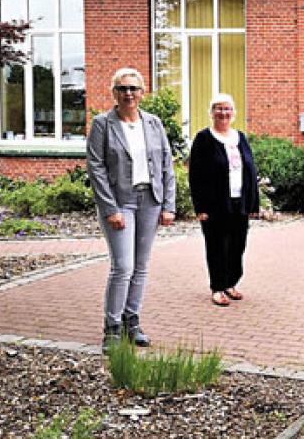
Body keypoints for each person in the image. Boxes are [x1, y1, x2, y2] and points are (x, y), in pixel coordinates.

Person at [86, 67, 175, 350]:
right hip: (120, 202)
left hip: (150, 200)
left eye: (133, 88)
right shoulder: (103, 124)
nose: (128, 94)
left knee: (141, 266)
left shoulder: (153, 123)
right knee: (122, 266)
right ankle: (111, 328)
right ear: (114, 92)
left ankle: (131, 321)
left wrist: (168, 204)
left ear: (142, 92)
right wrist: (110, 208)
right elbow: (96, 168)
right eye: (122, 88)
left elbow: (166, 165)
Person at [188, 93, 260, 307]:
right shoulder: (204, 139)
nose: (223, 112)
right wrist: (200, 207)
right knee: (217, 245)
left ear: (233, 113)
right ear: (211, 112)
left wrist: (253, 203)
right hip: (215, 204)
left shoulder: (240, 137)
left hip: (239, 202)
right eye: (218, 108)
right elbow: (196, 176)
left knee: (238, 245)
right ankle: (218, 287)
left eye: (227, 108)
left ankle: (231, 283)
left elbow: (250, 171)